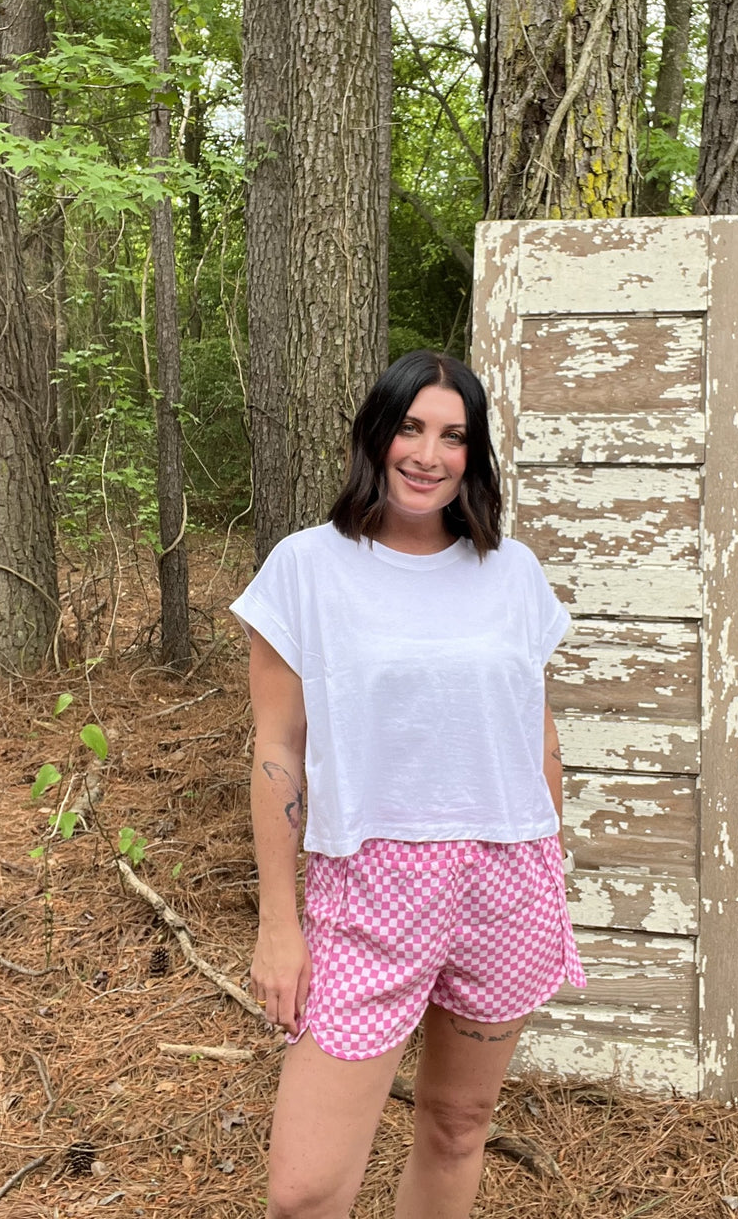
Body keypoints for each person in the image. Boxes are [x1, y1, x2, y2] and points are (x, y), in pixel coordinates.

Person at [230, 350, 585, 1219]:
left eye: (454, 436)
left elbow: (538, 736)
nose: (429, 454)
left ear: (475, 456)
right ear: (376, 436)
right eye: (411, 428)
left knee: (459, 1123)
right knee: (305, 1189)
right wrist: (281, 925)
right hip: (369, 889)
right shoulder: (307, 568)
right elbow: (276, 747)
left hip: (508, 884)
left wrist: (553, 862)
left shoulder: (512, 573)